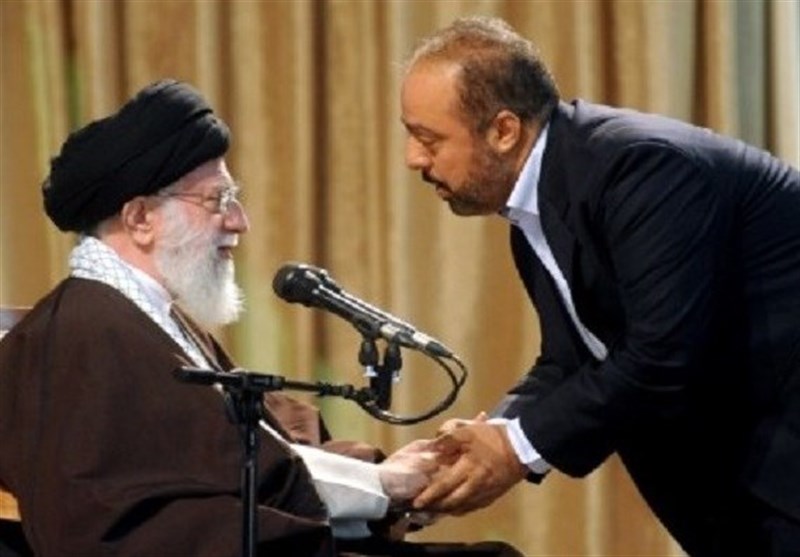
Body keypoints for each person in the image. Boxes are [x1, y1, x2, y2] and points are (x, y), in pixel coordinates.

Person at [0, 79, 522, 557]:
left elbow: (254, 452)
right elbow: (175, 493)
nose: (239, 222)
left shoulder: (144, 317)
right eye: (218, 200)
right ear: (139, 219)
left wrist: (387, 478)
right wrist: (381, 487)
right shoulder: (82, 335)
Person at [400, 15, 800, 557]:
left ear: (504, 131)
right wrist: (487, 440)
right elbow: (573, 358)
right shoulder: (542, 202)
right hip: (743, 478)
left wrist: (514, 449)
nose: (413, 159)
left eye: (428, 139)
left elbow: (662, 357)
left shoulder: (643, 168)